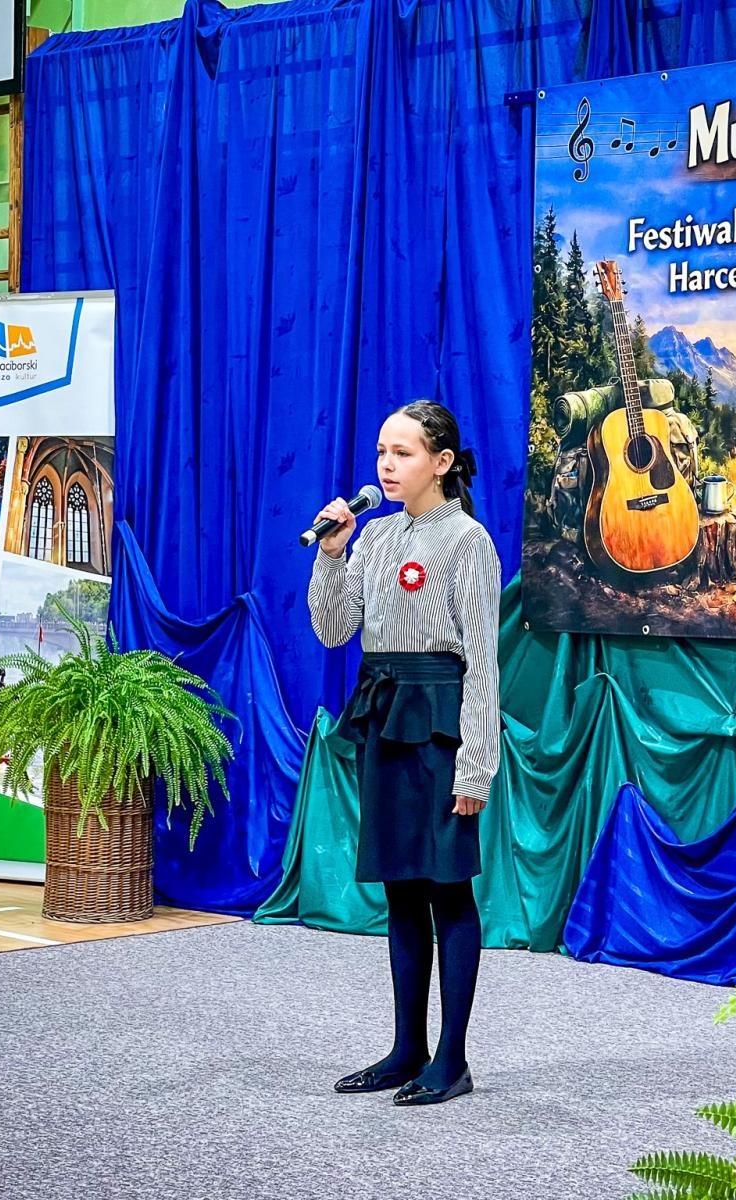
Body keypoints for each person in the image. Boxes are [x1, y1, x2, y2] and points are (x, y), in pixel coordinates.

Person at [307, 399, 502, 1107]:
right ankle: (405, 1048)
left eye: (404, 453)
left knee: (447, 889)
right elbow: (334, 631)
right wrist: (332, 556)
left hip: (442, 723)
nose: (387, 466)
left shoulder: (467, 541)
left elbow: (482, 661)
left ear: (441, 463)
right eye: (382, 453)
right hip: (386, 717)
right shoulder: (376, 537)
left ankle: (452, 1059)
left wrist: (476, 764)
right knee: (400, 889)